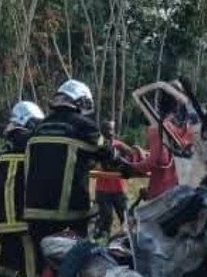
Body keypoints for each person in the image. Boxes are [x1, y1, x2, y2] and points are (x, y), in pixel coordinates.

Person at [23, 79, 131, 239]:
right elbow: (108, 155)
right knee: (75, 261)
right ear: (79, 102)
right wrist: (128, 167)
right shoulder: (84, 126)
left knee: (43, 261)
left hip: (34, 213)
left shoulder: (39, 127)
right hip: (68, 215)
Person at [0, 99, 45, 277]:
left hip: (4, 212)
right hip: (17, 212)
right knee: (28, 253)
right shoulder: (26, 140)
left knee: (7, 255)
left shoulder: (12, 141)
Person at [93, 119, 132, 237]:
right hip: (103, 190)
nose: (110, 132)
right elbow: (95, 163)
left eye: (111, 130)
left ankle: (128, 243)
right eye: (107, 130)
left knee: (127, 220)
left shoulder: (119, 145)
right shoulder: (98, 146)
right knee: (105, 221)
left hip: (118, 189)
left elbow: (132, 154)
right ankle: (100, 246)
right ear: (102, 131)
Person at [137, 121, 178, 201]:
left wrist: (132, 165)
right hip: (166, 189)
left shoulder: (160, 148)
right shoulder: (168, 148)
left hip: (161, 194)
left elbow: (148, 164)